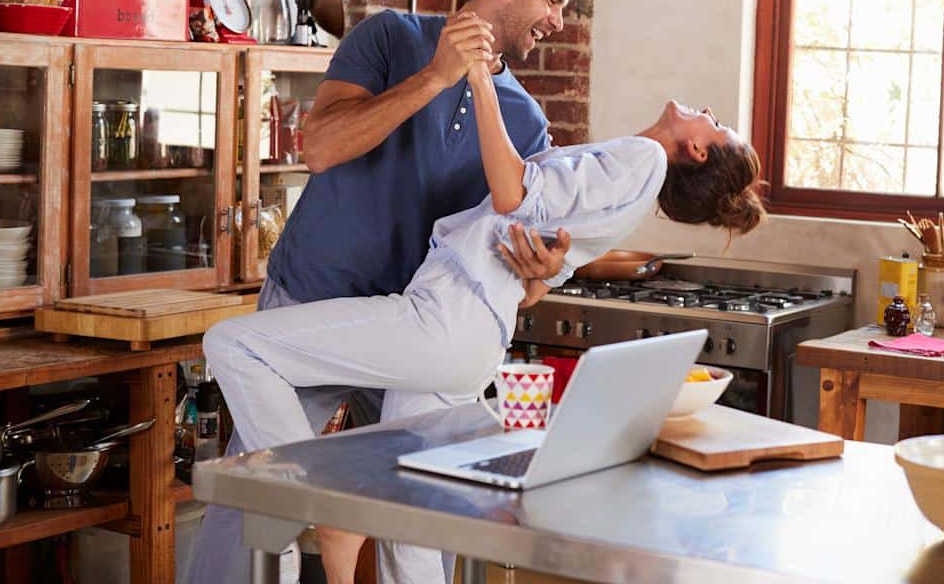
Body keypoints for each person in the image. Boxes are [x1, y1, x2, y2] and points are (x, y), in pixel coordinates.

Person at [203, 57, 766, 582]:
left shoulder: (641, 161)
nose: (708, 114)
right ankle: (328, 508)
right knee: (411, 522)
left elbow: (511, 190)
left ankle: (321, 503)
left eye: (717, 125)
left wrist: (477, 79)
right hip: (473, 333)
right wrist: (542, 270)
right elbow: (536, 274)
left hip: (447, 316)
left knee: (234, 344)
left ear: (696, 149)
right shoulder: (633, 179)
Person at [187, 0, 588, 584]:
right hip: (316, 297)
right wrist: (436, 77)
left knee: (415, 508)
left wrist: (544, 272)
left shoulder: (524, 122)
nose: (559, 21)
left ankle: (332, 514)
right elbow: (320, 147)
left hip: (410, 328)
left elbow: (515, 262)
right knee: (255, 493)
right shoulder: (390, 37)